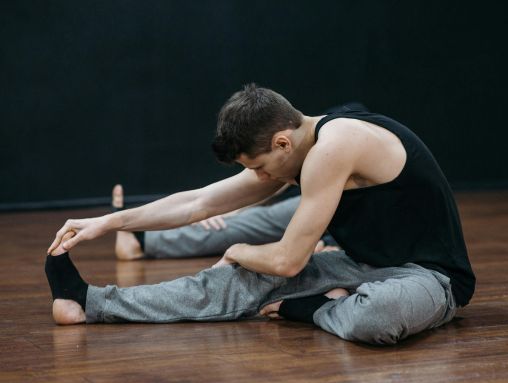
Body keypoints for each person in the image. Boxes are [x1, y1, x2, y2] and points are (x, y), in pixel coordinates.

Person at [45, 84, 475, 345]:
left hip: (430, 277)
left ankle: (309, 310)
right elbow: (199, 203)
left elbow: (288, 260)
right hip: (363, 264)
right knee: (239, 278)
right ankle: (88, 303)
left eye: (257, 166)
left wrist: (236, 248)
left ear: (282, 143)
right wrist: (109, 222)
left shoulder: (336, 146)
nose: (258, 176)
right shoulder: (297, 148)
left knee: (379, 316)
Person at [112, 184, 340, 261]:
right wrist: (233, 209)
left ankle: (140, 240)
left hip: (354, 224)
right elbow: (276, 179)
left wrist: (333, 244)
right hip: (330, 200)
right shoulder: (321, 139)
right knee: (234, 223)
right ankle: (140, 240)